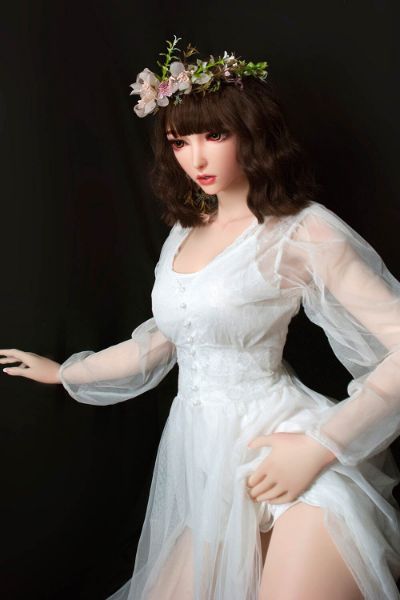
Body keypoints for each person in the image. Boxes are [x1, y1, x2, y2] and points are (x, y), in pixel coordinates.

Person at [1, 35, 400, 600]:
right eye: (179, 141)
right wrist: (66, 372)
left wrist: (321, 446)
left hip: (290, 455)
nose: (197, 159)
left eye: (215, 135)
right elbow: (164, 341)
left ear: (252, 133)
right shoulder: (182, 234)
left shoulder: (301, 230)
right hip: (215, 472)